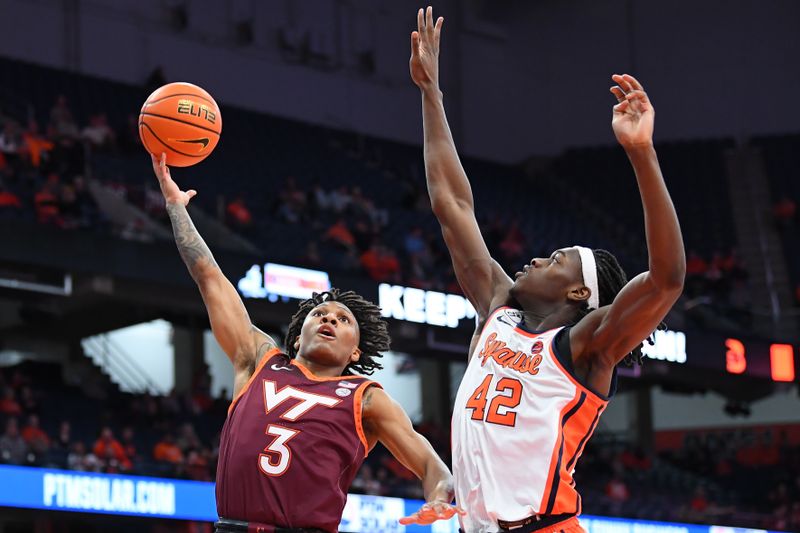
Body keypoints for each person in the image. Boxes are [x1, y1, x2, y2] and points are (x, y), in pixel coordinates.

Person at [410, 7, 685, 533]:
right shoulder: (497, 309)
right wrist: (431, 94)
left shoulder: (588, 345)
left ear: (580, 291)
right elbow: (452, 205)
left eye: (555, 260)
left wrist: (642, 153)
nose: (535, 260)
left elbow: (666, 279)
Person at [151, 153, 462, 533]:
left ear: (355, 352)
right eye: (320, 314)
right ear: (298, 335)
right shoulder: (258, 360)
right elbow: (209, 277)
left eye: (343, 320)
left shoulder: (365, 398)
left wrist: (437, 497)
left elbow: (432, 465)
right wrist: (175, 207)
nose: (329, 318)